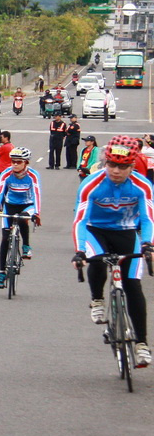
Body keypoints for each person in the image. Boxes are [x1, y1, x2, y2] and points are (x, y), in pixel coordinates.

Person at [73, 135, 154, 368]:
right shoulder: (91, 183)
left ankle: (141, 344)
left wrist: (148, 244)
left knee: (133, 286)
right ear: (105, 162)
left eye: (123, 166)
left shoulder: (142, 186)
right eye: (112, 165)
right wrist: (80, 251)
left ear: (132, 166)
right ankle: (97, 298)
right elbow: (80, 220)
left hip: (126, 232)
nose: (116, 171)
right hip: (94, 231)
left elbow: (148, 218)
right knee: (97, 260)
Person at [0, 147, 42, 288]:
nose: (14, 164)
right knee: (5, 238)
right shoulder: (6, 174)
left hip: (28, 205)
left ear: (26, 162)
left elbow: (37, 194)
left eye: (18, 162)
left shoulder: (33, 175)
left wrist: (37, 212)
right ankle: (2, 272)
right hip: (10, 205)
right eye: (12, 161)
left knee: (21, 218)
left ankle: (26, 245)